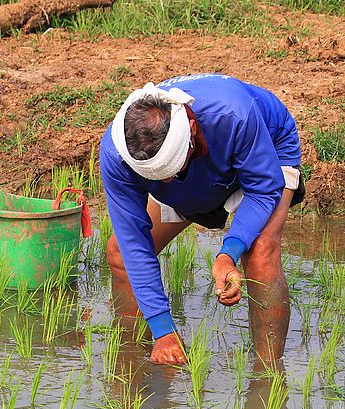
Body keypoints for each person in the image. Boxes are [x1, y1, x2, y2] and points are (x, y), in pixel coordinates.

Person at [100, 74, 304, 365]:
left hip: (264, 153)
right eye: (159, 175)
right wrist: (163, 330)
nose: (169, 179)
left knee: (260, 252)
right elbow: (134, 242)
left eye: (173, 169)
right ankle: (134, 361)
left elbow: (262, 192)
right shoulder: (116, 153)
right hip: (195, 176)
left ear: (191, 128)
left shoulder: (234, 113)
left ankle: (267, 377)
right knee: (119, 253)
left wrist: (227, 254)